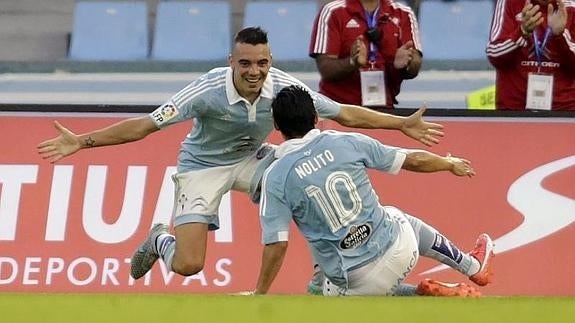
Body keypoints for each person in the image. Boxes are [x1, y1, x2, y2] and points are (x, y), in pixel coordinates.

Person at [37, 27, 444, 281]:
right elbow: (144, 126)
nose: (254, 71)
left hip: (254, 160)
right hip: (202, 168)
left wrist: (400, 123)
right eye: (245, 63)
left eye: (262, 63)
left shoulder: (282, 86)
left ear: (271, 62)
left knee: (301, 177)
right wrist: (82, 141)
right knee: (188, 266)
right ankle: (159, 239)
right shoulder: (206, 91)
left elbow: (344, 115)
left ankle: (328, 272)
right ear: (231, 62)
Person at [252, 85, 495, 296]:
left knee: (321, 288)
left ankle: (421, 296)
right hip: (400, 249)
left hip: (353, 280)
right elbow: (412, 160)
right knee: (394, 215)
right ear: (316, 117)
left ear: (276, 125)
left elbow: (277, 244)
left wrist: (260, 293)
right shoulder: (346, 142)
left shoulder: (275, 176)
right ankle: (471, 265)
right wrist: (447, 163)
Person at [309, 0, 423, 109]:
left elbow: (414, 65)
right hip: (338, 108)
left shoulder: (404, 13)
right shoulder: (332, 11)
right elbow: (326, 69)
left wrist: (407, 63)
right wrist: (352, 62)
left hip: (384, 109)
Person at [486, 0, 575, 110]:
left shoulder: (571, 7)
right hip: (514, 111)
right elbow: (494, 54)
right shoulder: (509, 2)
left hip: (563, 111)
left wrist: (561, 36)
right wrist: (522, 32)